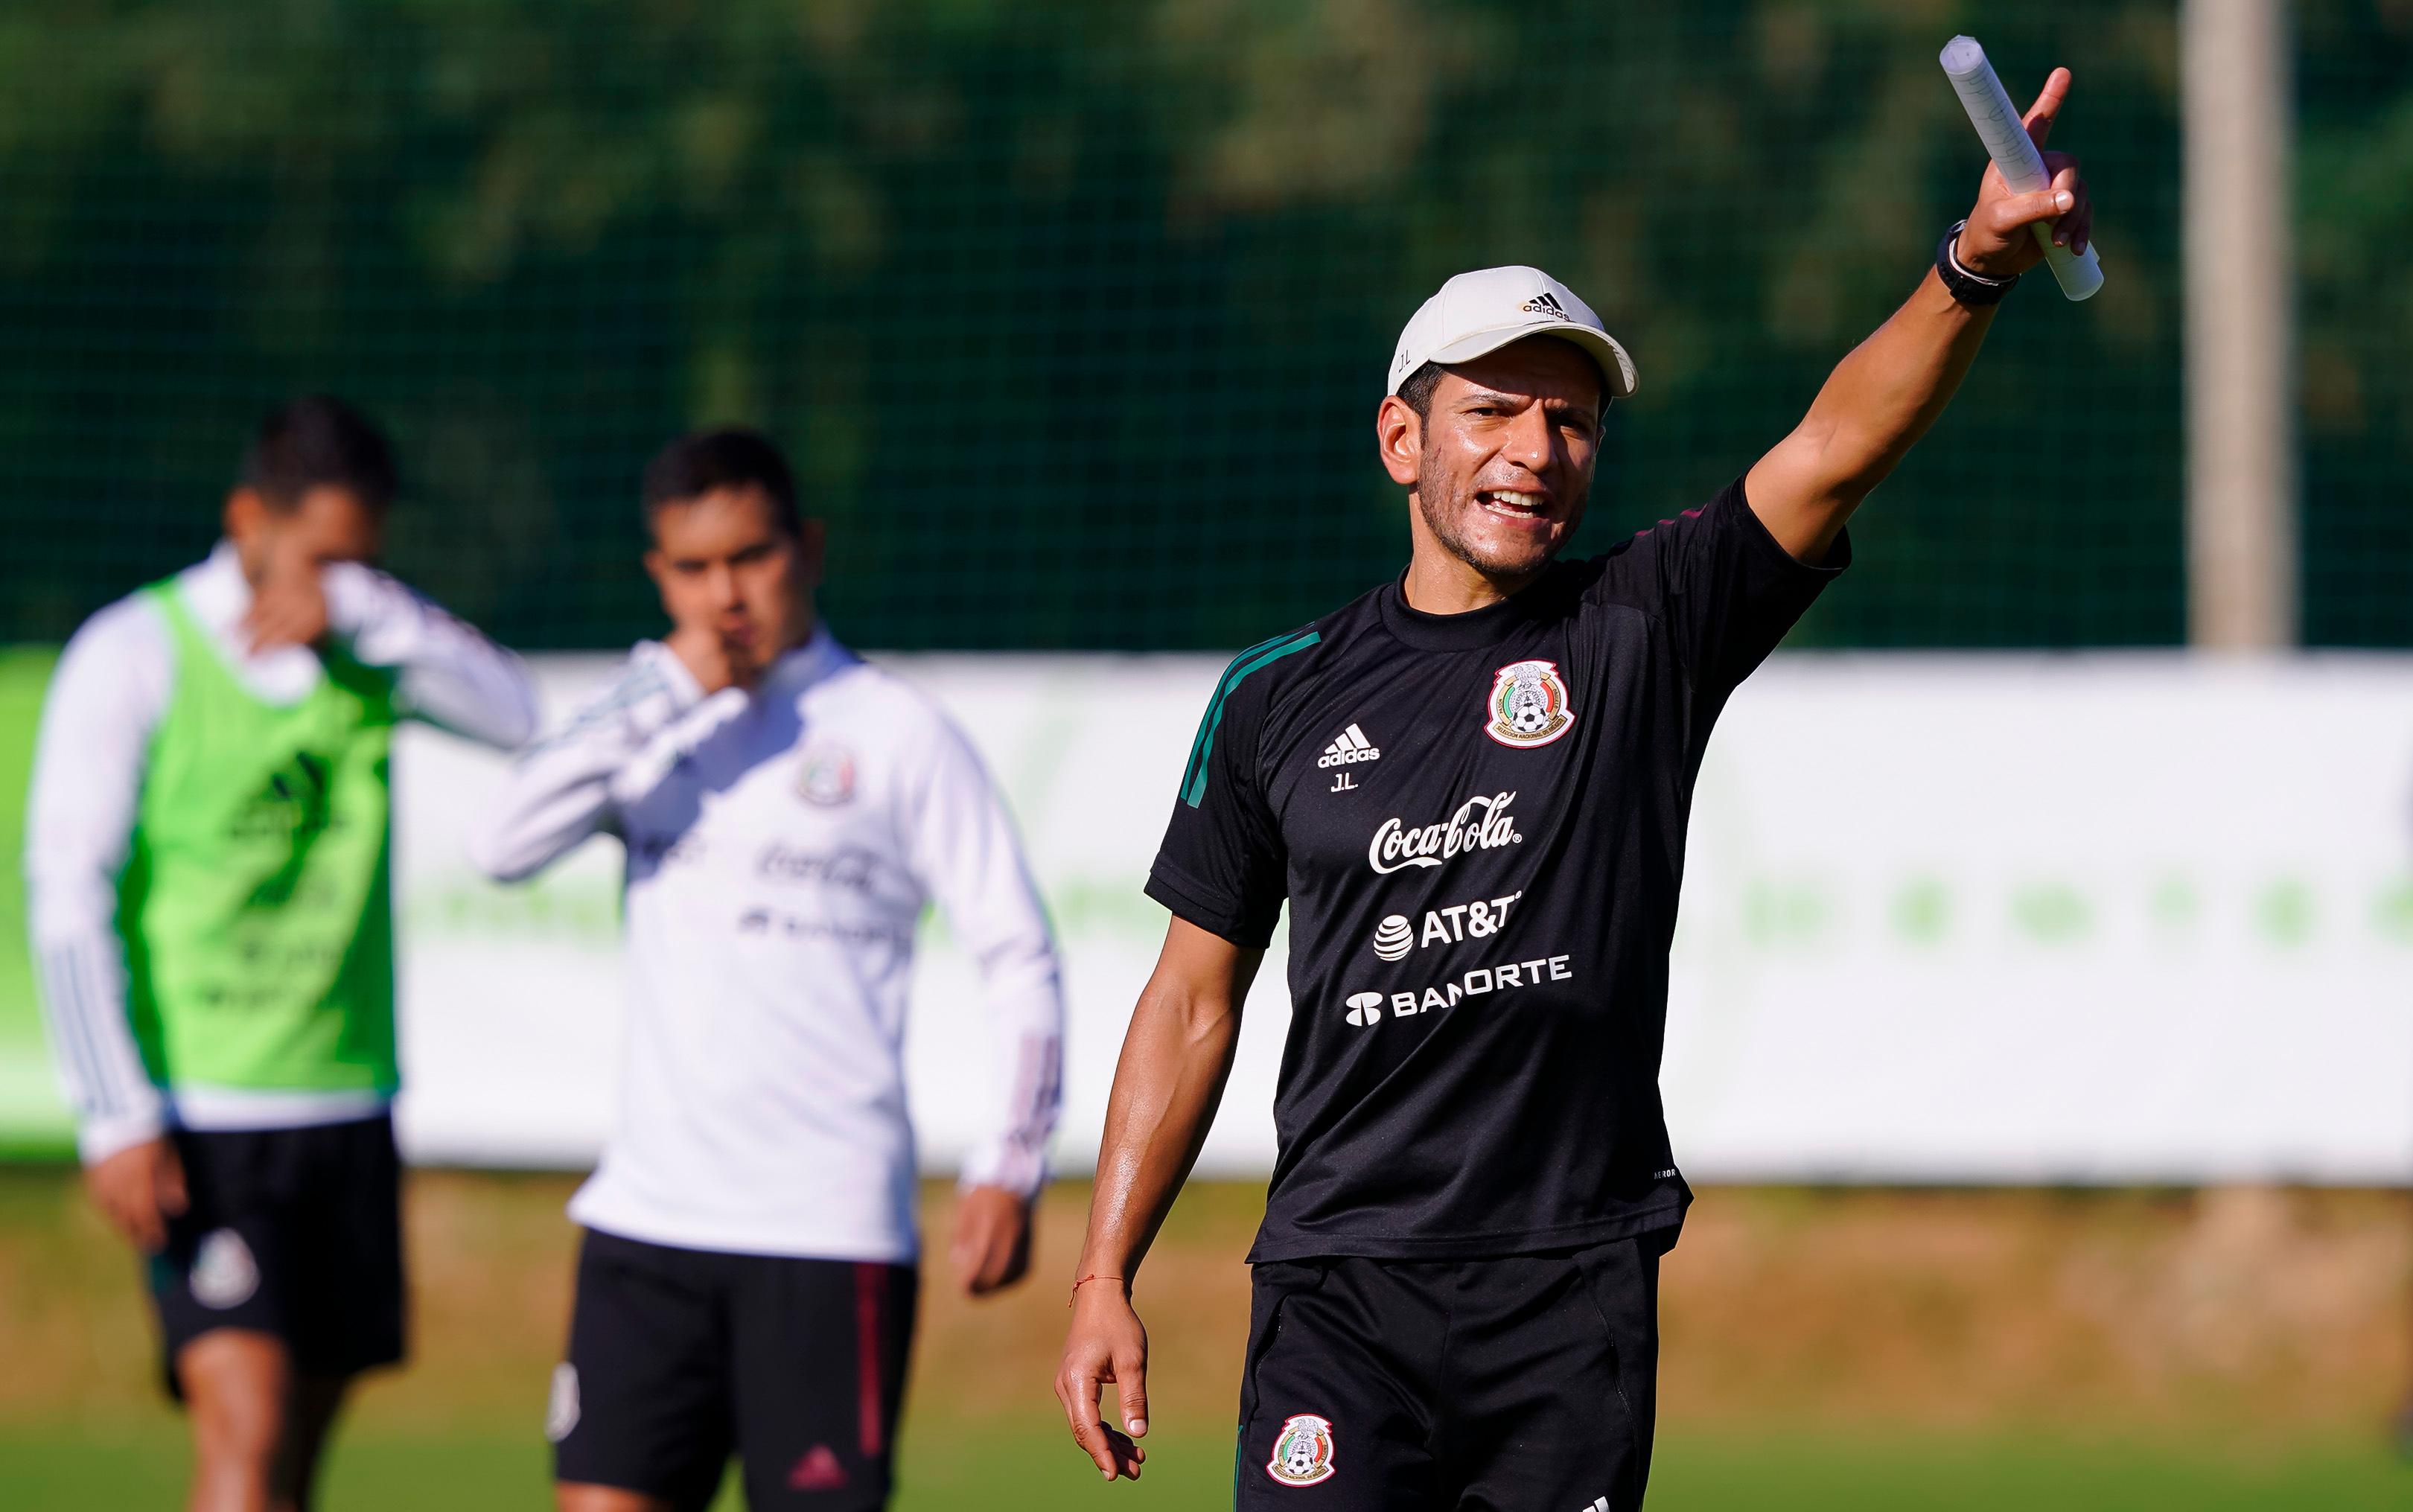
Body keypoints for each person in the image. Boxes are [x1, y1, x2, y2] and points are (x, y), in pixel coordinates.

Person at [1056, 70, 2095, 1510]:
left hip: (1566, 1293)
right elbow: (1188, 999)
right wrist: (1105, 1271)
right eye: (1495, 412)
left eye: (1572, 423)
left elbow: (1835, 447)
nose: (1538, 454)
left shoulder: (1646, 625)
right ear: (1400, 440)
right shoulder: (1273, 696)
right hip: (1337, 1293)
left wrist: (1972, 263)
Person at [472, 428, 1065, 1512]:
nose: (724, 595)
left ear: (810, 549)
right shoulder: (645, 725)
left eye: (748, 557)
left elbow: (1017, 953)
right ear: (659, 576)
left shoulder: (895, 733)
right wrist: (663, 690)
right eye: (691, 570)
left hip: (825, 1234)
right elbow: (500, 845)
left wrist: (1010, 1160)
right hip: (647, 1226)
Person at [24, 395, 539, 1512]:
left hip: (345, 1102)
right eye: (320, 557)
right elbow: (67, 894)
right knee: (242, 1435)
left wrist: (368, 610)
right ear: (247, 520)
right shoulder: (133, 653)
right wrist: (116, 1109)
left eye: (363, 562)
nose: (333, 583)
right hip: (204, 1116)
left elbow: (524, 721)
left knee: (295, 1459)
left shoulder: (369, 649)